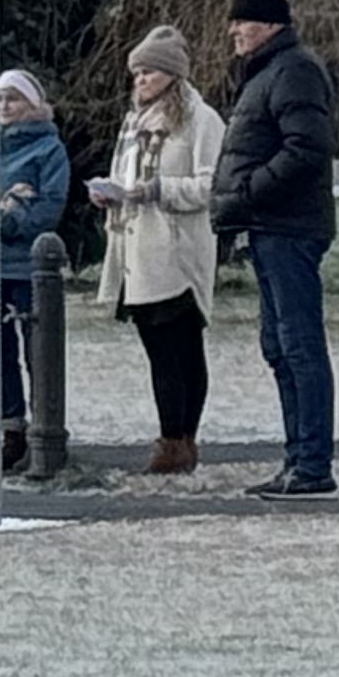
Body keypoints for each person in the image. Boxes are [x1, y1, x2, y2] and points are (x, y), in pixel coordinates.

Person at [212, 0, 338, 498]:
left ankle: (311, 464)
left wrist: (248, 191)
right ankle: (297, 460)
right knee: (279, 347)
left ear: (269, 25)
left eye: (242, 22)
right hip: (268, 228)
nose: (234, 31)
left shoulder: (294, 70)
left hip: (289, 228)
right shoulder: (269, 73)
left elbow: (307, 147)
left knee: (299, 346)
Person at [91, 23, 221, 473]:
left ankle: (178, 438)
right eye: (136, 73)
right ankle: (174, 436)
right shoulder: (134, 122)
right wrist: (112, 193)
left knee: (179, 346)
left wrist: (157, 190)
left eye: (148, 72)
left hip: (177, 248)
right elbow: (126, 176)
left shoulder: (200, 120)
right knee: (157, 346)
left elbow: (208, 186)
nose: (140, 80)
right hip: (136, 248)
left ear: (171, 74)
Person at [0, 69, 74, 440]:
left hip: (25, 266)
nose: (4, 106)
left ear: (32, 103)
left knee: (37, 353)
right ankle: (9, 428)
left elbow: (47, 209)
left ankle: (43, 428)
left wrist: (8, 217)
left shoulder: (48, 149)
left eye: (13, 98)